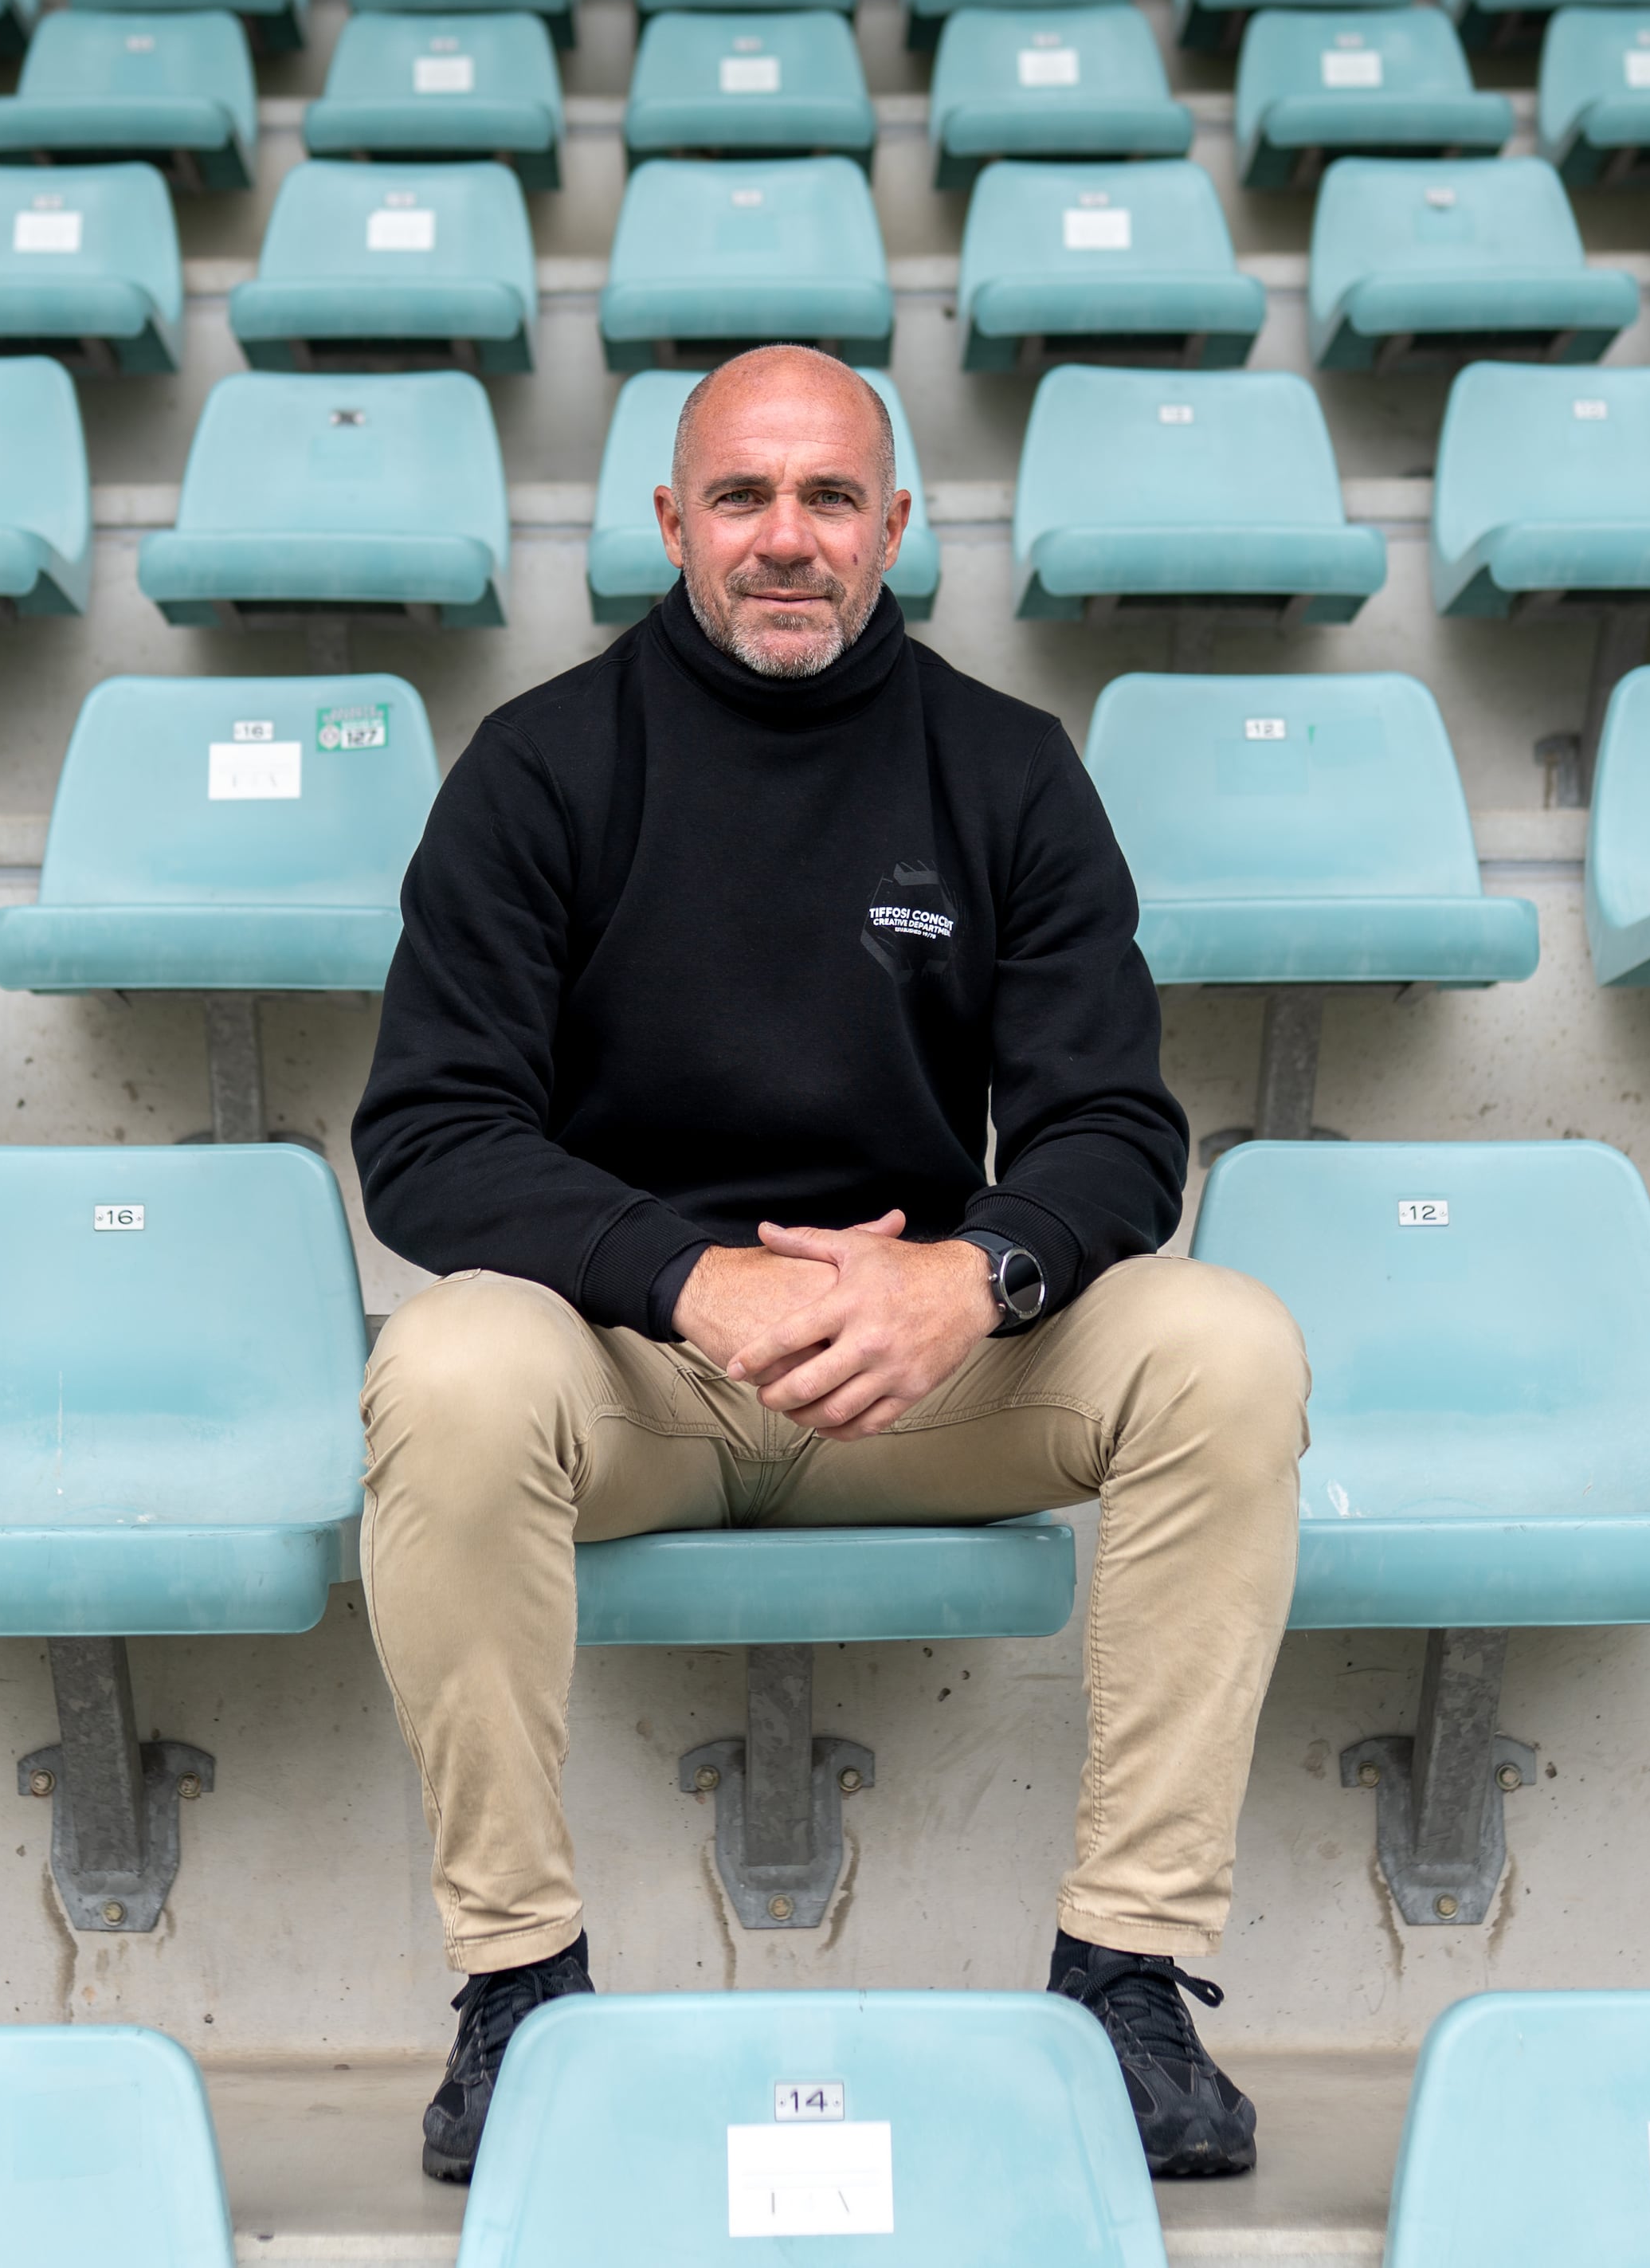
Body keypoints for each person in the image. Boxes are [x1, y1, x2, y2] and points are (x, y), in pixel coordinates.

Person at [351, 343, 1312, 2185]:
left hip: (919, 1370)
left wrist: (972, 1279)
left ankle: (1124, 1975)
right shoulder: (543, 765)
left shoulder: (1005, 768)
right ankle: (518, 1992)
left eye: (822, 499)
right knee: (448, 1368)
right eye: (740, 496)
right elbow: (429, 1135)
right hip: (631, 1371)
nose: (781, 539)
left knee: (1223, 1343)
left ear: (889, 524)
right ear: (668, 523)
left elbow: (1114, 1128)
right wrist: (683, 1273)